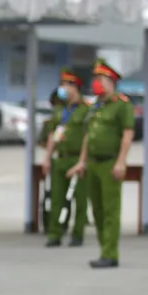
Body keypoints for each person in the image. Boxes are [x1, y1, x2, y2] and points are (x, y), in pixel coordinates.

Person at [67, 60, 134, 269]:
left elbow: (127, 134)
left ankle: (110, 253)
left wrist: (121, 161)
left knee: (110, 211)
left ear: (112, 82)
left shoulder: (122, 105)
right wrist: (82, 161)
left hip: (110, 163)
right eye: (95, 79)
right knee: (96, 210)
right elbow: (88, 136)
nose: (97, 83)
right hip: (93, 164)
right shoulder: (95, 106)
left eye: (101, 79)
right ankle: (104, 250)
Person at [42, 69, 90, 248]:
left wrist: (82, 161)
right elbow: (53, 134)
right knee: (57, 198)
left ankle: (77, 234)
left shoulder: (86, 109)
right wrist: (47, 158)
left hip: (77, 158)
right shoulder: (60, 109)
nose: (62, 88)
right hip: (60, 158)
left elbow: (88, 136)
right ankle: (55, 233)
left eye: (66, 85)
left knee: (80, 199)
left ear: (74, 87)